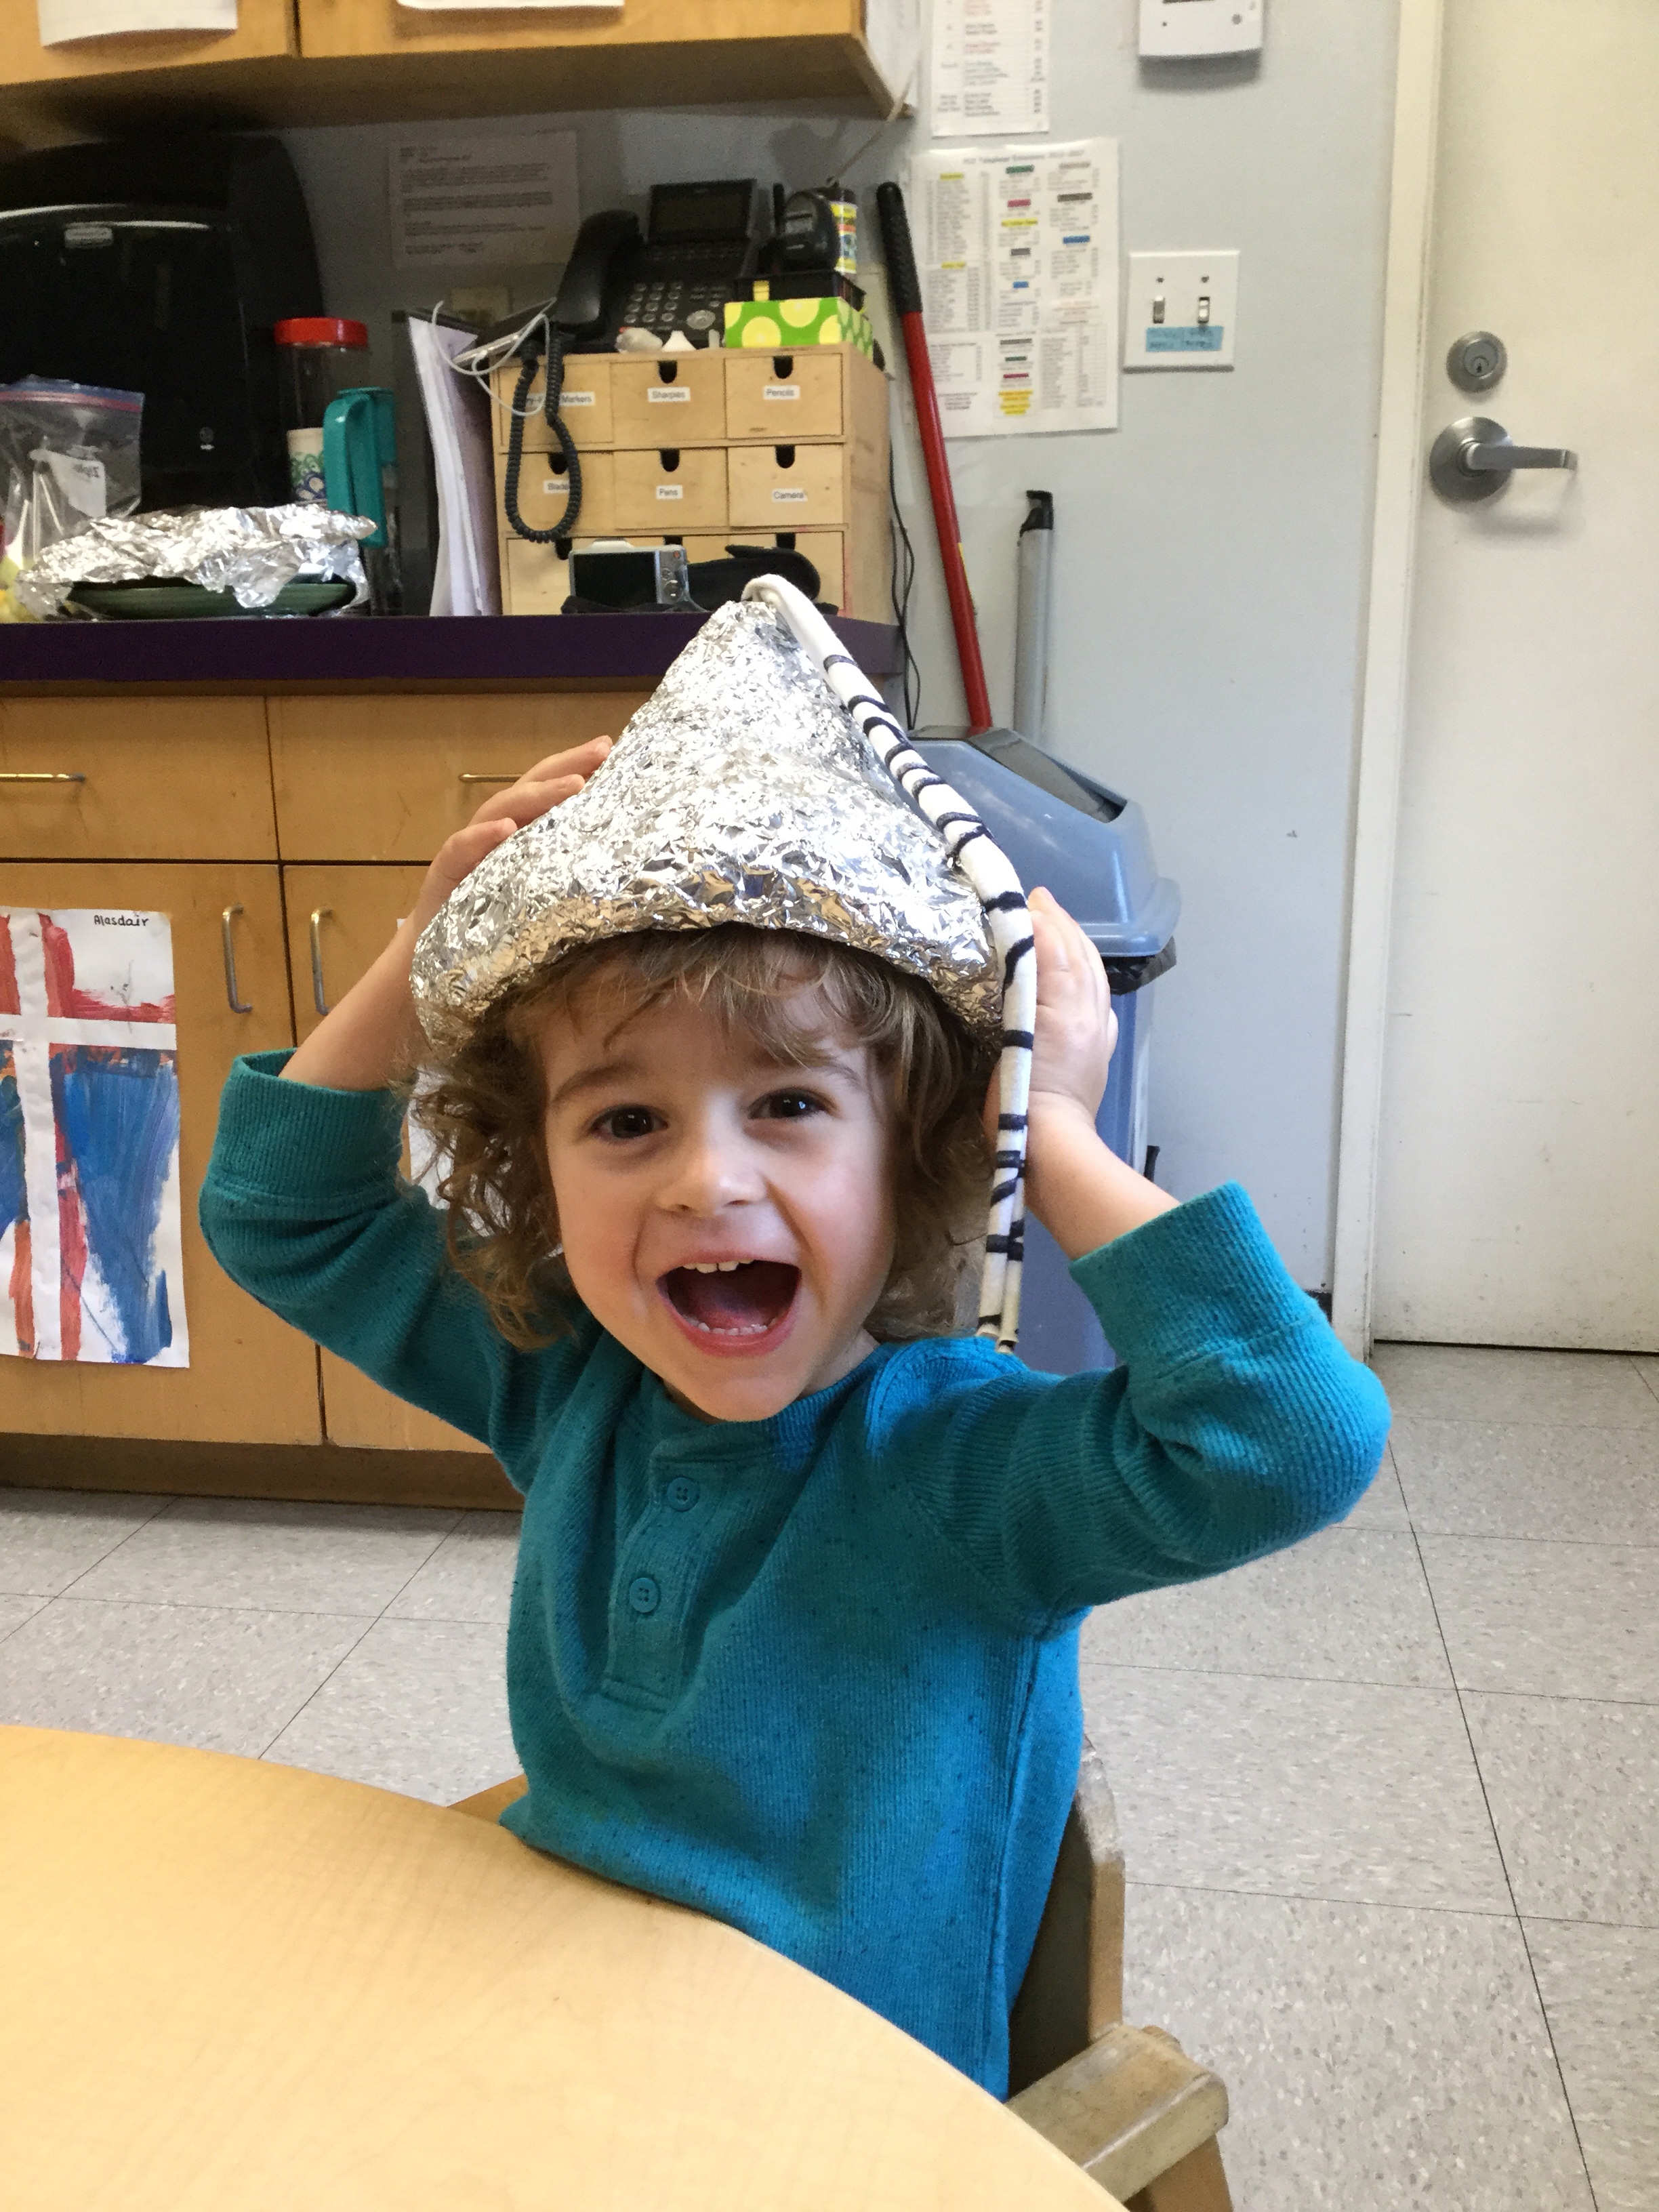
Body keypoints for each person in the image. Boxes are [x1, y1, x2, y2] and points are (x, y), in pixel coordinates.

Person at [201, 609, 1389, 2102]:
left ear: (920, 1156)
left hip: (839, 2114)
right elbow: (280, 1217)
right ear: (538, 1171)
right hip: (562, 2029)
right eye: (626, 1121)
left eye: (790, 1106)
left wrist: (1053, 1138)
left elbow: (1293, 1439)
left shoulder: (968, 1469)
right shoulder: (562, 1376)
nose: (707, 1181)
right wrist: (416, 955)